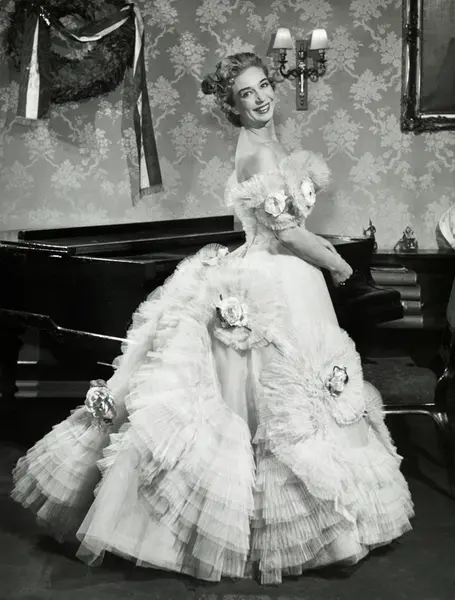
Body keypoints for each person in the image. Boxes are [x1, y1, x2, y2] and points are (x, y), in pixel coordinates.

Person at [11, 52, 413, 585]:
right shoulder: (258, 154)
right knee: (273, 400)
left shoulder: (269, 145)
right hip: (275, 280)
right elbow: (289, 234)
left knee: (296, 393)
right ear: (232, 105)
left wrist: (325, 260)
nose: (261, 98)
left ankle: (323, 517)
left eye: (264, 85)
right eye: (247, 94)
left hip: (286, 278)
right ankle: (264, 527)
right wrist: (338, 264)